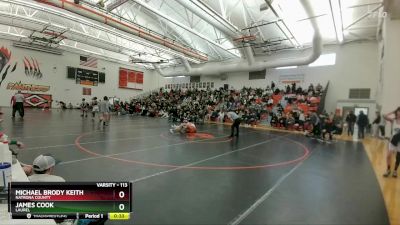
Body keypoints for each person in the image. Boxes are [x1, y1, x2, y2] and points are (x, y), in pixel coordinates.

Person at [383, 107, 400, 177]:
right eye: (398, 112)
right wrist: (393, 111)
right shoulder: (393, 120)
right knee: (388, 156)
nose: (399, 113)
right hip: (393, 141)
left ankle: (395, 171)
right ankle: (388, 170)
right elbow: (384, 116)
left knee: (398, 157)